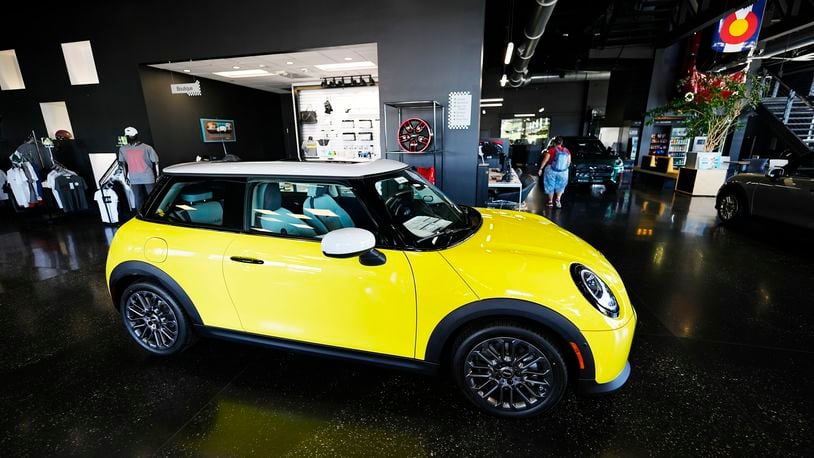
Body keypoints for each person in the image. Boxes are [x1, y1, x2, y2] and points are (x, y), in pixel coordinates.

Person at [117, 126, 159, 209]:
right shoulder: (123, 149)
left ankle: (155, 212)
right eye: (129, 136)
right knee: (138, 197)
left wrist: (157, 175)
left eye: (131, 135)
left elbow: (156, 162)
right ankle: (140, 214)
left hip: (147, 176)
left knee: (152, 196)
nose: (130, 137)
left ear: (136, 135)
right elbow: (123, 164)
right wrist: (125, 177)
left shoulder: (147, 148)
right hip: (134, 177)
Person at [537, 136, 571, 208]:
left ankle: (550, 202)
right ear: (562, 143)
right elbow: (569, 162)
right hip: (563, 171)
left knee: (550, 185)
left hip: (551, 170)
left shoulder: (551, 150)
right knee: (561, 186)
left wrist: (541, 169)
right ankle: (558, 199)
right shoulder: (567, 151)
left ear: (554, 143)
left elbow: (545, 160)